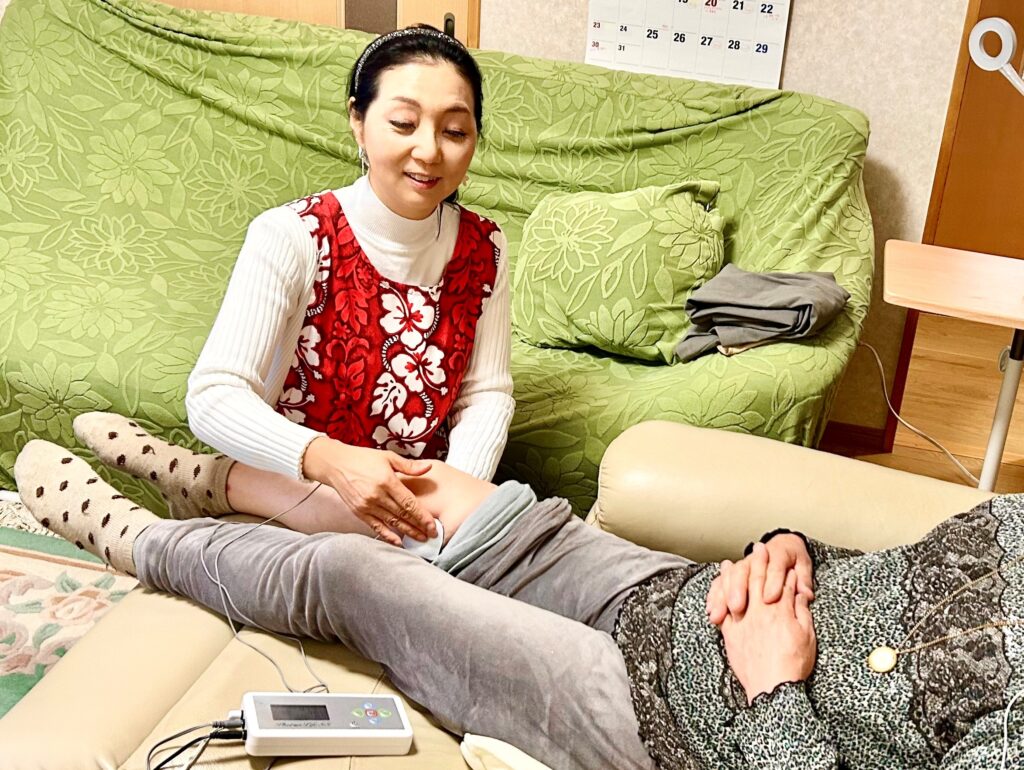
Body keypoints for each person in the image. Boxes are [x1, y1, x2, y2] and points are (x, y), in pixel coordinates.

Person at [14, 425, 1024, 770]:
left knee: (367, 579)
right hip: (691, 600)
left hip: (674, 725)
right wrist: (791, 551)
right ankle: (216, 484)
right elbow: (914, 572)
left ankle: (141, 543)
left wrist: (774, 688)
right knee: (449, 497)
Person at [180, 25, 514, 547]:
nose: (429, 151)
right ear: (358, 121)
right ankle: (213, 484)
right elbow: (213, 396)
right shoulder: (293, 234)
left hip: (414, 505)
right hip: (299, 487)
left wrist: (451, 500)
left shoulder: (484, 247)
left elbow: (485, 394)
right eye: (403, 123)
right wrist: (331, 461)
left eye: (454, 132)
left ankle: (203, 481)